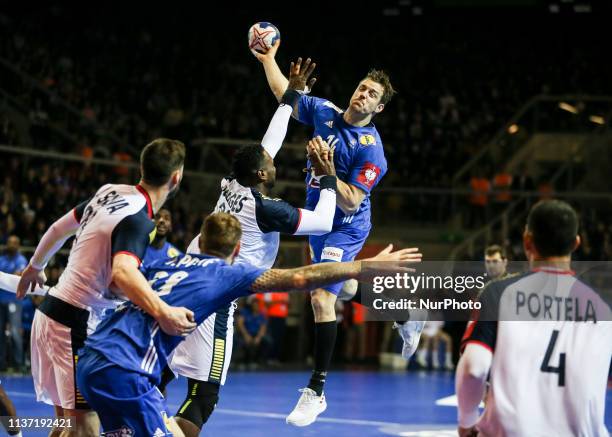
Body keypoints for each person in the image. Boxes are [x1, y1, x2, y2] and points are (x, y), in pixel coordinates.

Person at [160, 59, 371, 436]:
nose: (274, 165)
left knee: (159, 372)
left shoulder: (230, 183)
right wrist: (326, 175)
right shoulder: (267, 210)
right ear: (261, 175)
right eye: (269, 166)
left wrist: (291, 96)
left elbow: (268, 142)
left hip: (182, 283)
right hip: (215, 300)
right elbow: (323, 221)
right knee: (203, 398)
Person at [76, 212, 421, 437]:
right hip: (126, 370)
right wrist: (362, 267)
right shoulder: (229, 273)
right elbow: (301, 277)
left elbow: (115, 286)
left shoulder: (166, 263)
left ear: (201, 239)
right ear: (238, 248)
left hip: (90, 359)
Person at [255, 41, 425, 426]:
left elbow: (350, 202)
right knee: (344, 288)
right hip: (320, 221)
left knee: (320, 295)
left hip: (346, 227)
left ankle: (316, 390)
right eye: (362, 87)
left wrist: (328, 170)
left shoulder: (371, 151)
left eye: (372, 95)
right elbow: (287, 94)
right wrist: (269, 59)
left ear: (379, 108)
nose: (363, 94)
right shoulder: (326, 113)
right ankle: (405, 311)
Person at [16, 138, 196, 437]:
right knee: (84, 429)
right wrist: (164, 312)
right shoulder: (140, 221)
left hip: (51, 314)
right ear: (177, 177)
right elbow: (123, 272)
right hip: (74, 324)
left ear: (141, 167)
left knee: (65, 426)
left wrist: (35, 265)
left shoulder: (109, 192)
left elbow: (59, 228)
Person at [457, 200, 611, 436]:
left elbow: (474, 368)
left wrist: (467, 423)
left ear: (527, 240)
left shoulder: (498, 293)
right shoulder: (602, 308)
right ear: (575, 243)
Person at [0, 236, 28, 372]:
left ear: (18, 245)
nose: (12, 245)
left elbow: (17, 276)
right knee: (0, 334)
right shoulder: (2, 259)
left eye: (15, 243)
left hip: (14, 302)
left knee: (15, 333)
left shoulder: (21, 260)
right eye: (10, 242)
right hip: (0, 301)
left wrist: (5, 276)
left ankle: (19, 364)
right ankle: (1, 364)